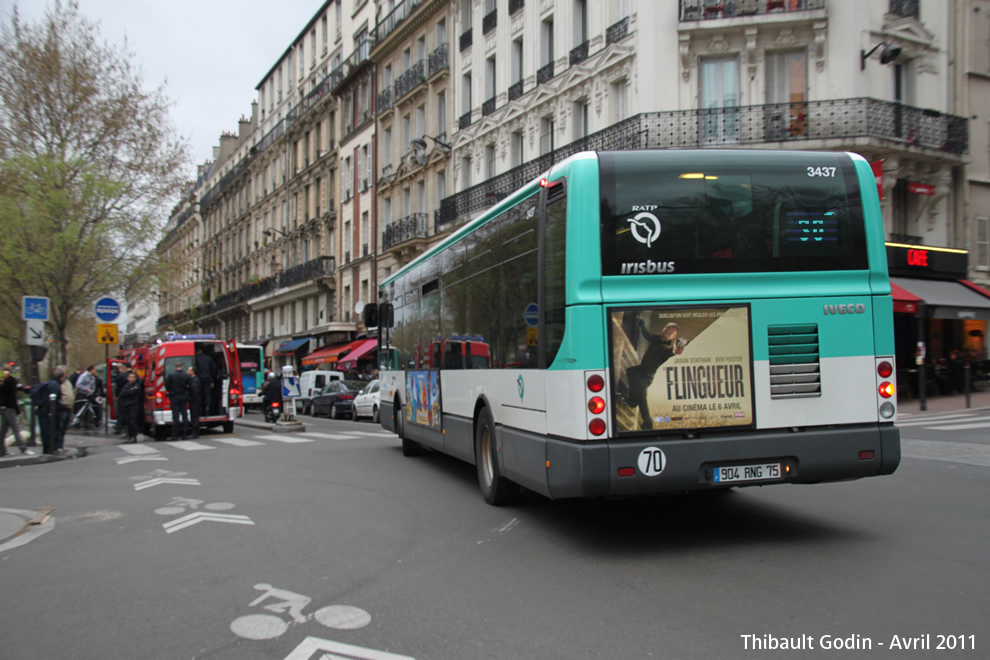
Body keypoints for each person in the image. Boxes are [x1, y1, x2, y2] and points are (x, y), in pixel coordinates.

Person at [621, 319, 685, 430]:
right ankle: (632, 401)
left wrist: (676, 350)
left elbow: (672, 352)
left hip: (647, 376)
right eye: (665, 331)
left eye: (669, 334)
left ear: (673, 337)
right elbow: (647, 336)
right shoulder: (657, 339)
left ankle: (648, 423)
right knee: (630, 371)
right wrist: (641, 323)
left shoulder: (667, 348)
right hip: (641, 370)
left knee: (642, 400)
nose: (665, 335)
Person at [33, 367, 65, 455]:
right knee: (51, 430)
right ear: (61, 377)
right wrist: (53, 411)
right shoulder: (55, 385)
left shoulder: (47, 384)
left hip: (43, 411)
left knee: (45, 431)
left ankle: (47, 449)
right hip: (49, 412)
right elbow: (53, 400)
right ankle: (51, 449)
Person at [1, 369, 32, 456]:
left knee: (3, 431)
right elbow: (12, 398)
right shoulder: (11, 382)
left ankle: (2, 450)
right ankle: (23, 449)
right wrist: (17, 409)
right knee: (16, 430)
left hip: (3, 408)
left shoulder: (2, 383)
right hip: (10, 408)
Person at [165, 361, 193, 439]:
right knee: (185, 415)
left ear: (175, 367)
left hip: (174, 396)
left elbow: (167, 386)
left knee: (175, 416)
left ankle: (175, 435)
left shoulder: (171, 375)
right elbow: (190, 386)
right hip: (183, 395)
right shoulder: (186, 375)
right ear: (182, 367)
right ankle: (185, 434)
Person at [118, 371, 144, 444]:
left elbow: (134, 392)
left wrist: (129, 392)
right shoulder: (126, 385)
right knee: (128, 421)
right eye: (130, 377)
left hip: (133, 405)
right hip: (126, 405)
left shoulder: (137, 385)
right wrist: (129, 391)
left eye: (133, 377)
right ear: (127, 378)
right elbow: (122, 393)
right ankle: (130, 436)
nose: (131, 379)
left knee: (133, 421)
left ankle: (133, 436)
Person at [73, 364, 99, 429]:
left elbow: (93, 387)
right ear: (91, 370)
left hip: (88, 395)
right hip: (82, 394)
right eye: (95, 370)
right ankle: (77, 423)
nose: (95, 371)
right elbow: (78, 384)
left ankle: (86, 423)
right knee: (80, 409)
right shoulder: (84, 376)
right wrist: (85, 389)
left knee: (87, 409)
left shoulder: (93, 377)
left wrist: (91, 392)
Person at [56, 364, 75, 452]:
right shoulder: (58, 383)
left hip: (68, 408)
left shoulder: (67, 382)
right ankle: (58, 446)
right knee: (59, 428)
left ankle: (61, 446)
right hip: (62, 407)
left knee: (63, 429)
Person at [195, 347, 217, 416]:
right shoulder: (209, 358)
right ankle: (208, 408)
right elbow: (214, 368)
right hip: (207, 378)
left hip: (199, 378)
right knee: (207, 394)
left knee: (199, 394)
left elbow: (195, 368)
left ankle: (201, 409)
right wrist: (213, 378)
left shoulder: (196, 358)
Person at [113, 363, 132, 434]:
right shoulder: (134, 375)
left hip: (122, 396)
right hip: (131, 398)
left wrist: (116, 395)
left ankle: (120, 427)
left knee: (121, 412)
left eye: (119, 368)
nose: (118, 370)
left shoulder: (121, 376)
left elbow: (117, 386)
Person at [187, 366, 201, 438]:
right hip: (194, 400)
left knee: (195, 416)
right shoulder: (192, 379)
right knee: (193, 416)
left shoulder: (195, 380)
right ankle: (194, 432)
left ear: (193, 372)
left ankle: (195, 433)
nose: (187, 371)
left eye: (189, 370)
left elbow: (195, 391)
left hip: (195, 401)